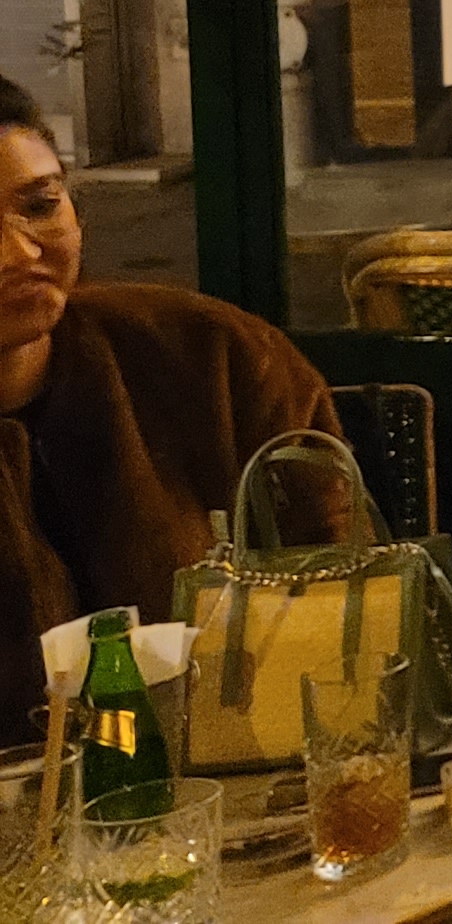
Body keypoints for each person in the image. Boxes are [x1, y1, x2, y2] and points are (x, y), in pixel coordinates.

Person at [0, 79, 337, 725]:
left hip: (228, 771)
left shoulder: (210, 357)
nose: (21, 252)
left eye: (41, 206)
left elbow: (340, 594)